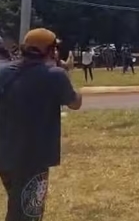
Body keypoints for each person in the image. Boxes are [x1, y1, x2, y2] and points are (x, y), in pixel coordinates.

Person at [0, 28, 83, 221]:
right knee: (28, 214)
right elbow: (75, 103)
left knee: (16, 205)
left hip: (5, 152)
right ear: (51, 50)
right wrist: (66, 71)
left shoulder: (4, 71)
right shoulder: (55, 75)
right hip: (32, 157)